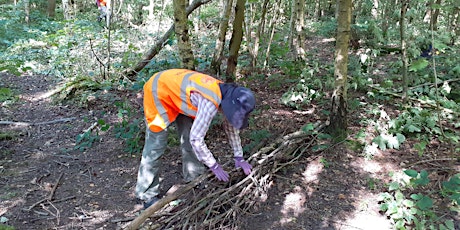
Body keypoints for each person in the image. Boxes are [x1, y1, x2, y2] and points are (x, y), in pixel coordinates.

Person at [135, 69, 256, 209]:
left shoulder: (227, 94)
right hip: (159, 90)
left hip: (181, 95)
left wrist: (239, 156)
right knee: (156, 144)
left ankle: (194, 177)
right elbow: (197, 139)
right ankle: (146, 194)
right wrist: (213, 165)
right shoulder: (210, 101)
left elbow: (230, 128)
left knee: (188, 138)